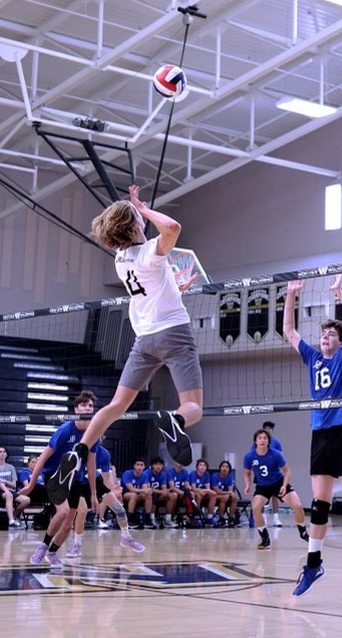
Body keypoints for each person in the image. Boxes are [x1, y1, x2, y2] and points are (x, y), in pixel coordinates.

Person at [51, 184, 203, 499]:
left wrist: (177, 286)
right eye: (138, 217)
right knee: (194, 407)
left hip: (144, 338)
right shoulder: (151, 251)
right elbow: (173, 227)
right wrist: (145, 208)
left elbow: (153, 286)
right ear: (135, 224)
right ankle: (175, 420)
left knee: (117, 405)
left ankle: (79, 451)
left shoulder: (121, 259)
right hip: (173, 332)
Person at [283, 275, 342, 598]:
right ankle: (313, 564)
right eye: (322, 334)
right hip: (319, 434)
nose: (324, 337)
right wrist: (291, 295)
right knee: (318, 505)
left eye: (330, 334)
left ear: (340, 340)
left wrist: (339, 294)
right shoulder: (312, 358)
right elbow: (289, 331)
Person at [18, 391, 99, 568]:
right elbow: (43, 457)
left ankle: (52, 552)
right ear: (76, 409)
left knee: (68, 524)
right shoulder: (64, 430)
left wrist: (93, 493)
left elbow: (91, 466)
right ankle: (43, 546)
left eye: (90, 406)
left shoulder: (94, 434)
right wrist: (32, 483)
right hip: (55, 475)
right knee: (61, 513)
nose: (88, 408)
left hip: (75, 479)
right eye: (84, 405)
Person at [65, 443, 144, 558]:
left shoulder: (104, 454)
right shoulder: (78, 449)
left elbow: (106, 479)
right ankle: (76, 545)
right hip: (79, 483)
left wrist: (114, 487)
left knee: (119, 509)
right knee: (81, 512)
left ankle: (126, 537)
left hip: (97, 481)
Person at [243, 429, 308, 549]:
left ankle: (303, 531)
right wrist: (247, 485)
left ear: (268, 441)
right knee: (255, 508)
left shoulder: (276, 454)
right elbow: (246, 473)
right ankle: (265, 538)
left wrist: (284, 485)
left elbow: (287, 471)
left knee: (297, 505)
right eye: (260, 438)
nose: (262, 440)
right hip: (262, 486)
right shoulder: (249, 456)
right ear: (255, 441)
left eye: (265, 438)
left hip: (278, 483)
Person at [121, 458, 157, 529]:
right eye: (137, 465)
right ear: (134, 466)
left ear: (144, 467)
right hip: (126, 494)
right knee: (134, 495)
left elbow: (145, 488)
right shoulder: (127, 474)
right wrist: (144, 490)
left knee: (148, 495)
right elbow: (131, 489)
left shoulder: (144, 475)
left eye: (141, 465)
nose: (139, 467)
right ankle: (130, 519)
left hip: (138, 494)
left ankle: (147, 519)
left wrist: (147, 490)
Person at [144, 456, 177, 529]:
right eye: (156, 464)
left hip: (159, 495)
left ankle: (168, 519)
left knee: (173, 495)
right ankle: (151, 518)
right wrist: (161, 491)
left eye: (160, 464)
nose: (158, 466)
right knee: (152, 494)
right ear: (152, 465)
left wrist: (165, 491)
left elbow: (164, 488)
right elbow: (148, 488)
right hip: (149, 495)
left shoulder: (163, 474)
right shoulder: (146, 473)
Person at [262, 421, 283, 527]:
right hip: (263, 474)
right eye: (266, 428)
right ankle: (264, 518)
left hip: (274, 473)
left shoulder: (276, 442)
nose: (268, 430)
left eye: (269, 429)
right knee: (264, 497)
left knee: (275, 495)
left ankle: (276, 518)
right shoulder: (259, 442)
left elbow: (280, 457)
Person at [0, 447, 25, 528]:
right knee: (8, 495)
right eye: (0, 452)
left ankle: (11, 517)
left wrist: (6, 482)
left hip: (10, 490)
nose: (2, 453)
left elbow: (14, 485)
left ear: (7, 454)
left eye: (4, 452)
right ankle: (11, 521)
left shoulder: (11, 467)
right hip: (1, 491)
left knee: (26, 500)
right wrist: (6, 490)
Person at [210, 460, 239, 527]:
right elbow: (216, 491)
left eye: (227, 467)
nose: (224, 468)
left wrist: (230, 494)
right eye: (223, 466)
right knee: (225, 497)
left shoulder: (230, 477)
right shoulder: (215, 476)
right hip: (214, 496)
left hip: (225, 495)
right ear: (220, 468)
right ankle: (221, 517)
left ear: (229, 469)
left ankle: (231, 518)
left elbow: (230, 490)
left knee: (234, 498)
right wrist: (228, 493)